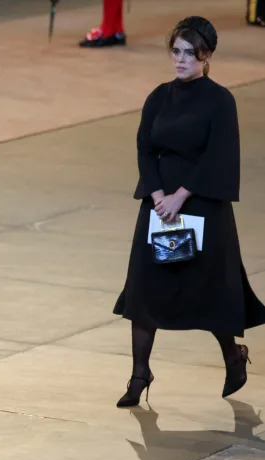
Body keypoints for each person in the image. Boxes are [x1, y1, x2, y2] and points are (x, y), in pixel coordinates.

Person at [113, 17, 265, 408]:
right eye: (176, 52)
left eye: (189, 54)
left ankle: (234, 357)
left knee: (208, 289)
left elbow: (220, 156)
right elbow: (144, 148)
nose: (180, 60)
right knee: (146, 289)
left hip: (200, 207)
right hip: (160, 207)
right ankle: (139, 374)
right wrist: (158, 194)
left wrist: (181, 196)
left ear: (206, 56)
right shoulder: (158, 97)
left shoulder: (219, 100)